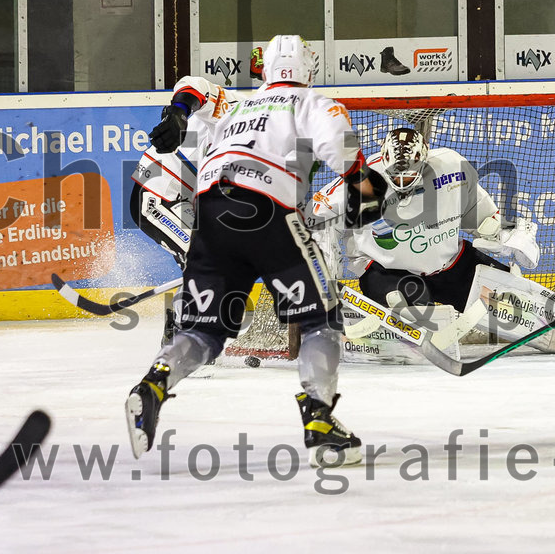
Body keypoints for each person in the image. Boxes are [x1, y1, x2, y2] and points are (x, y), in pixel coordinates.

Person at [124, 34, 387, 467]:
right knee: (321, 319)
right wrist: (362, 187)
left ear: (266, 70)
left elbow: (193, 85)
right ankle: (320, 421)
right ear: (309, 70)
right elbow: (340, 151)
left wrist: (177, 112)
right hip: (266, 210)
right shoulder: (313, 103)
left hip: (210, 212)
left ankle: (154, 382)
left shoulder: (240, 105)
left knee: (204, 332)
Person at [309, 127, 541, 318]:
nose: (402, 181)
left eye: (409, 175)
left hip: (450, 266)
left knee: (520, 307)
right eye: (395, 175)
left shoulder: (451, 167)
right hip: (388, 273)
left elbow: (478, 212)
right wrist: (327, 276)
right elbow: (318, 215)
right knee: (418, 308)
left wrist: (505, 233)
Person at [129, 76, 233, 345]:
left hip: (184, 200)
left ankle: (180, 327)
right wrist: (179, 112)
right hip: (156, 193)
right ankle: (185, 332)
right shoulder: (240, 109)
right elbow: (194, 84)